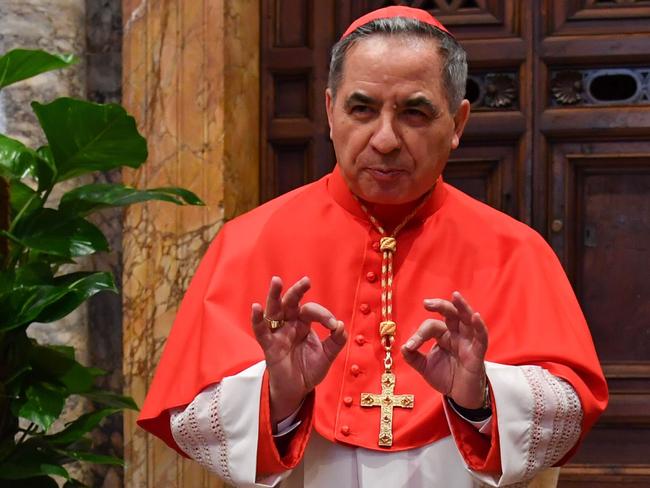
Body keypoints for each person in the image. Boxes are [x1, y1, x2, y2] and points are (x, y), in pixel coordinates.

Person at [138, 6, 608, 488]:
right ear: (328, 111)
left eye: (414, 112)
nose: (385, 140)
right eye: (362, 109)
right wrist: (277, 394)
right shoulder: (248, 241)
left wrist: (480, 398)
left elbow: (569, 417)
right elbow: (193, 423)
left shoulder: (516, 252)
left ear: (458, 121)